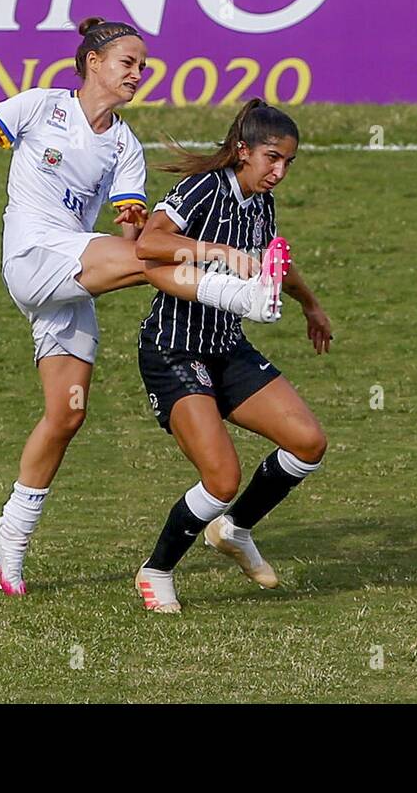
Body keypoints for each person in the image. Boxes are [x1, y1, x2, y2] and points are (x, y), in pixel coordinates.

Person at [0, 19, 287, 596]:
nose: (138, 74)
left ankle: (10, 529)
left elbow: (133, 219)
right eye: (128, 63)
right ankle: (243, 293)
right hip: (35, 256)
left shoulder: (124, 145)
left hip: (73, 278)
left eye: (143, 66)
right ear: (93, 63)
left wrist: (133, 218)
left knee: (67, 413)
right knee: (147, 259)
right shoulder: (40, 107)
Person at [130, 99, 333, 613]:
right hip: (174, 349)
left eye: (287, 162)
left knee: (308, 443)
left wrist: (310, 304)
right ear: (242, 151)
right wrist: (216, 252)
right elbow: (149, 245)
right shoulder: (204, 187)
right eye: (272, 158)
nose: (279, 171)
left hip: (226, 346)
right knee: (221, 477)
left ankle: (235, 529)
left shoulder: (261, 203)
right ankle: (156, 570)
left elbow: (269, 263)